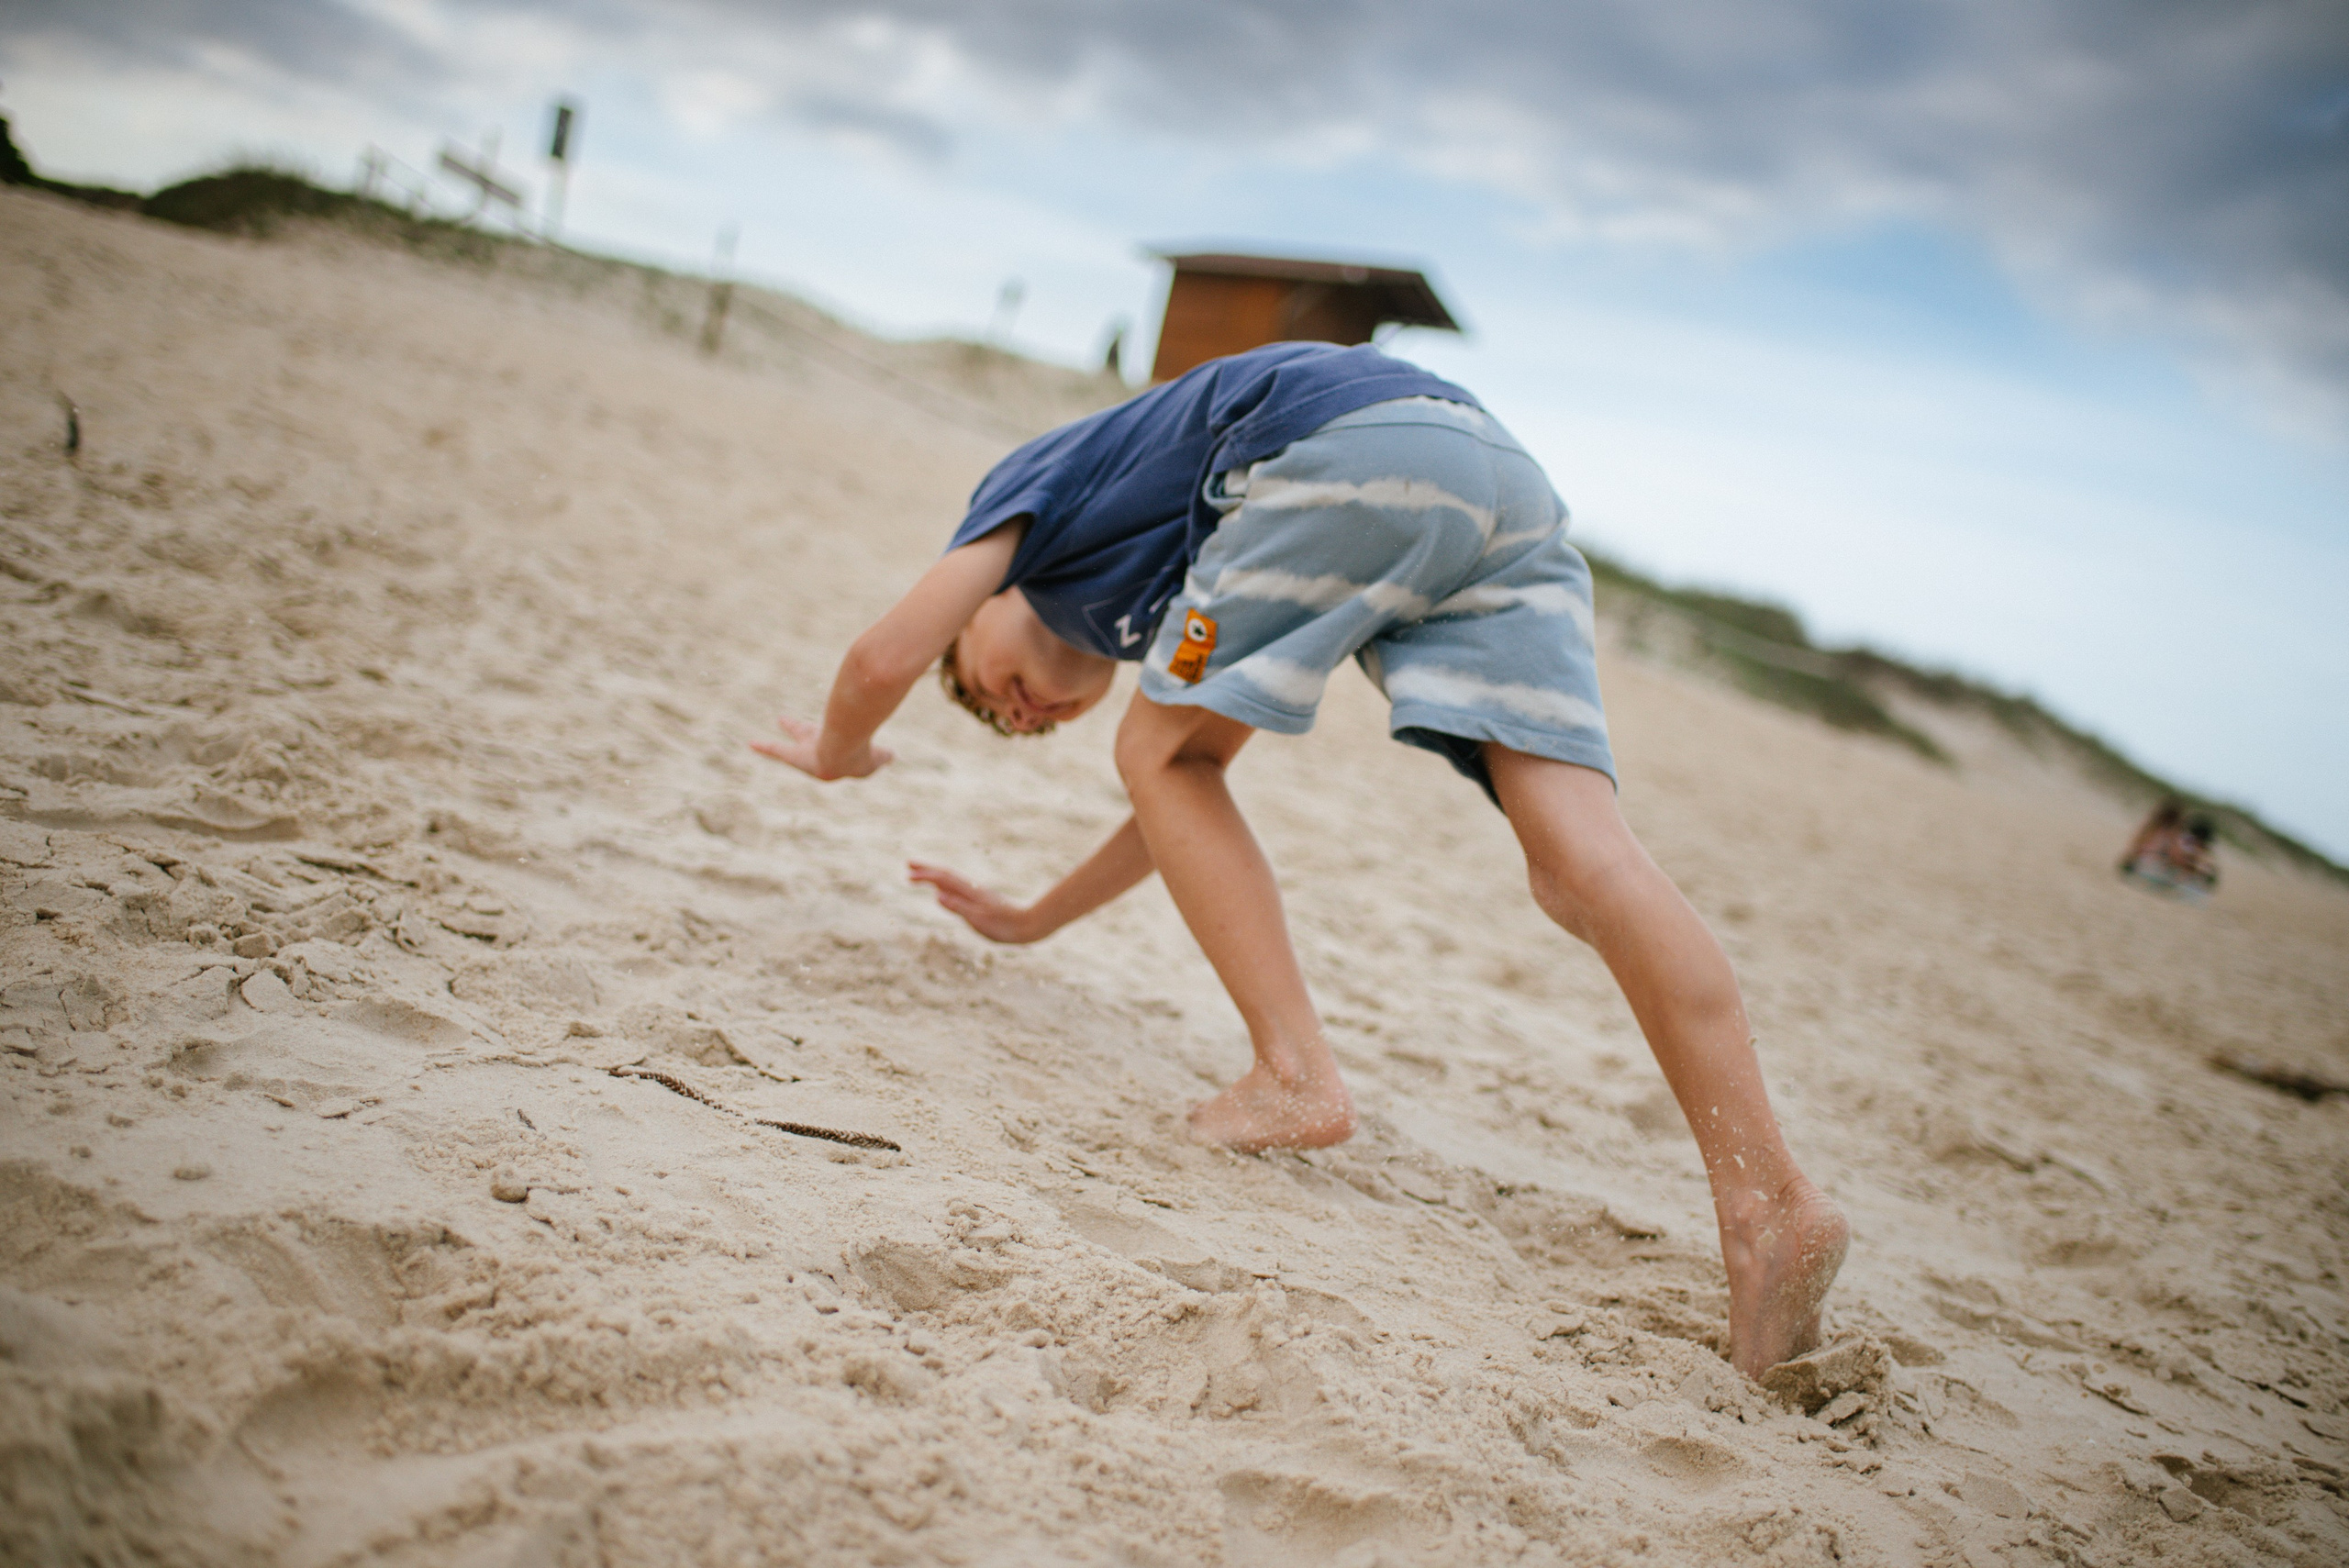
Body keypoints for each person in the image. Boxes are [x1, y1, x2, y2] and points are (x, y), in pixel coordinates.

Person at [752, 341, 1848, 1378]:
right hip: (1499, 483)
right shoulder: (1192, 597)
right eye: (1017, 727)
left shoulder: (1026, 500)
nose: (1017, 709)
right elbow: (1182, 802)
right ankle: (1768, 1200)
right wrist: (1034, 917)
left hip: (1343, 438)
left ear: (983, 608)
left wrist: (839, 750)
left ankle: (1292, 1073)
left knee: (1157, 750)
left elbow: (884, 656)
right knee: (1577, 865)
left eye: (980, 684)